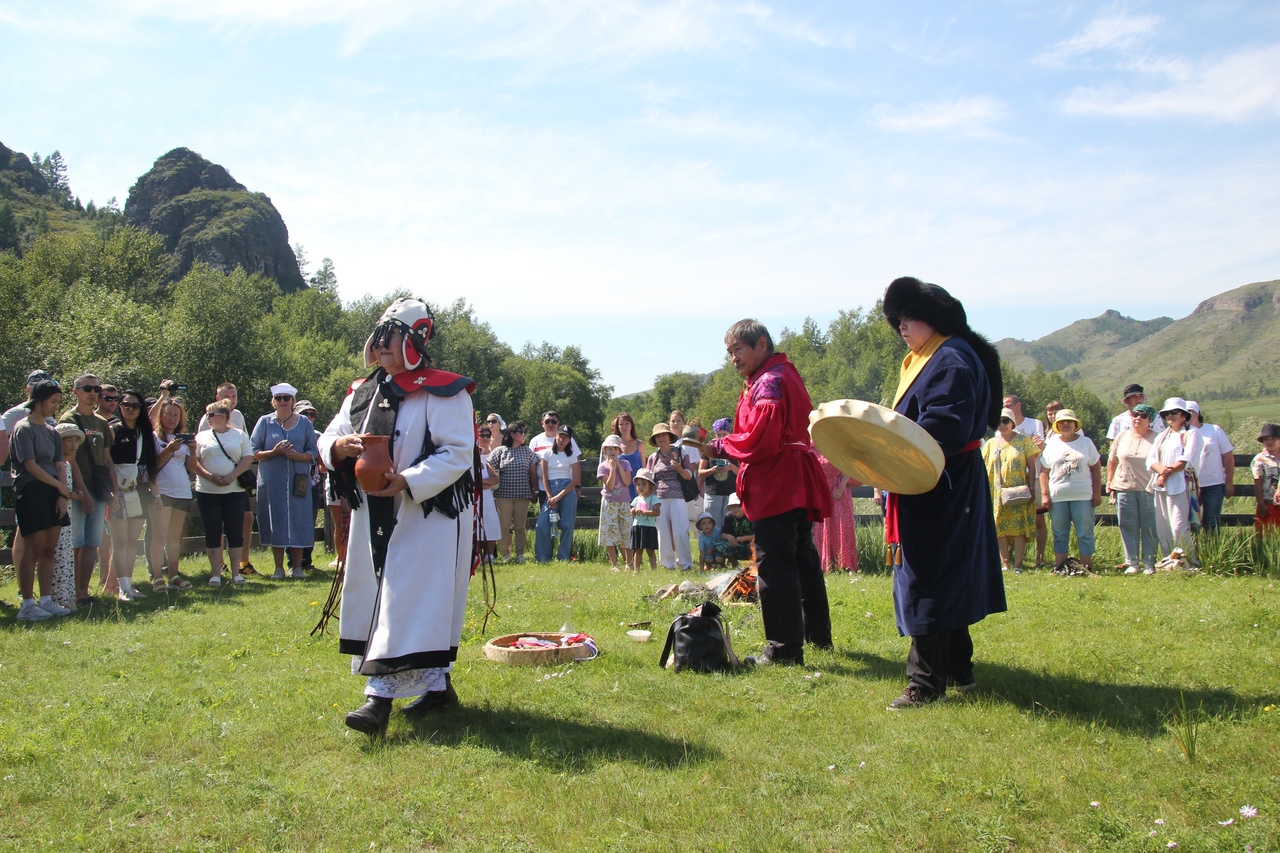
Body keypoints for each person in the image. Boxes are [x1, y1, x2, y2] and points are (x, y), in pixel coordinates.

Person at [317, 296, 477, 734]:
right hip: (375, 511)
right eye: (378, 341)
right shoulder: (362, 392)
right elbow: (329, 436)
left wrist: (408, 479)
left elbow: (458, 452)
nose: (380, 349)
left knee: (407, 598)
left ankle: (377, 702)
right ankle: (438, 690)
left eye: (389, 341)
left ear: (412, 342)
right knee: (387, 597)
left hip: (427, 517)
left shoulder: (444, 390)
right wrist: (338, 449)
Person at [879, 278, 1005, 708]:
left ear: (934, 317)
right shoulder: (933, 356)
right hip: (940, 478)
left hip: (939, 479)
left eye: (909, 317)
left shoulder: (949, 359)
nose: (902, 326)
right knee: (947, 572)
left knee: (928, 575)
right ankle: (957, 669)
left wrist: (890, 456)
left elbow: (944, 427)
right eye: (897, 319)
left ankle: (925, 682)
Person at [703, 319, 833, 668]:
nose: (733, 358)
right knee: (802, 559)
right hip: (790, 478)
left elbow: (761, 438)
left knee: (775, 565)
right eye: (729, 352)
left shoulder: (771, 380)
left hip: (777, 481)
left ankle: (784, 649)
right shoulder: (773, 376)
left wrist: (718, 446)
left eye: (738, 350)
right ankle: (816, 636)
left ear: (761, 344)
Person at [12, 380, 76, 620]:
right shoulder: (23, 428)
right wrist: (61, 487)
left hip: (53, 491)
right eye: (52, 401)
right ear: (38, 401)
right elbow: (30, 465)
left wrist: (62, 494)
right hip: (31, 490)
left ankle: (46, 600)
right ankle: (27, 605)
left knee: (49, 549)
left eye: (58, 402)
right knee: (33, 549)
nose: (55, 407)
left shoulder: (51, 431)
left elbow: (59, 464)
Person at [251, 382, 319, 579]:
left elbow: (313, 452)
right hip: (272, 480)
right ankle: (278, 567)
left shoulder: (304, 423)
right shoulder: (264, 422)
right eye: (278, 398)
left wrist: (297, 456)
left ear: (292, 401)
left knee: (298, 519)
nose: (282, 401)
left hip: (298, 480)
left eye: (286, 398)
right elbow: (253, 451)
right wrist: (275, 452)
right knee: (276, 519)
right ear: (273, 401)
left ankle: (297, 567)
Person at [60, 374, 115, 607]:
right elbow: (68, 458)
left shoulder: (102, 422)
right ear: (76, 392)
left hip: (99, 490)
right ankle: (69, 592)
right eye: (87, 389)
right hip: (76, 491)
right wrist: (83, 492)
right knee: (76, 543)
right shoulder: (68, 419)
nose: (92, 393)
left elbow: (107, 459)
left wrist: (115, 492)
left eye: (96, 388)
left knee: (92, 543)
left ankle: (83, 593)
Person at [5, 369, 57, 586]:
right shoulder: (14, 416)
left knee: (45, 543)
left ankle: (44, 593)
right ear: (28, 387)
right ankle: (22, 588)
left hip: (49, 481)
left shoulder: (50, 419)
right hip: (26, 480)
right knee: (24, 536)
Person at [197, 382, 256, 576]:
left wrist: (234, 474)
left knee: (246, 518)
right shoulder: (209, 417)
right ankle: (219, 564)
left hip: (236, 480)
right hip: (211, 484)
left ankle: (242, 563)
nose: (231, 400)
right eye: (227, 396)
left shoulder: (238, 416)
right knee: (216, 524)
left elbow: (245, 448)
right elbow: (201, 450)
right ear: (218, 398)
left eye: (234, 396)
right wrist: (212, 475)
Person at [107, 389, 159, 600]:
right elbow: (106, 462)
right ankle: (122, 588)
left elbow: (152, 466)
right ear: (119, 406)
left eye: (135, 406)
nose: (130, 409)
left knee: (131, 541)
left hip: (140, 492)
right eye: (126, 405)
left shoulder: (144, 434)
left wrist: (156, 496)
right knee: (119, 542)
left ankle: (129, 585)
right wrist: (111, 492)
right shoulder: (113, 430)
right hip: (118, 491)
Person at [1038, 409, 1102, 573]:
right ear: (1057, 426)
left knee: (1085, 532)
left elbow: (1095, 468)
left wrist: (1096, 493)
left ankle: (1086, 567)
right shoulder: (1052, 444)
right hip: (1058, 496)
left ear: (1075, 425)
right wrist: (1045, 494)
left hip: (1083, 495)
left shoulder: (1086, 443)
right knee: (1059, 533)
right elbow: (1044, 472)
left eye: (1069, 422)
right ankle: (1060, 567)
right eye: (1062, 422)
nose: (1066, 425)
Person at [149, 392, 197, 591]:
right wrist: (168, 449)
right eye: (168, 414)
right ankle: (157, 577)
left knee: (175, 537)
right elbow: (152, 466)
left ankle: (174, 574)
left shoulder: (182, 439)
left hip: (182, 491)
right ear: (161, 416)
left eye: (175, 416)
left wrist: (193, 450)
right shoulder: (153, 438)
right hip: (162, 491)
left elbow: (192, 468)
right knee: (159, 535)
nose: (171, 419)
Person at [982, 408, 1040, 572]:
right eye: (998, 421)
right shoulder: (991, 443)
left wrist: (1032, 487)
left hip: (1018, 491)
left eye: (1005, 420)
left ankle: (1018, 565)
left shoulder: (1024, 441)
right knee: (1000, 527)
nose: (1002, 424)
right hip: (996, 493)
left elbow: (1032, 465)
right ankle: (1005, 564)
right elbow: (983, 465)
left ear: (1013, 422)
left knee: (1018, 527)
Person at [1147, 397, 1201, 567]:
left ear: (1184, 415)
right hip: (1161, 485)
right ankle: (1169, 562)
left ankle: (1191, 562)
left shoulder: (1191, 433)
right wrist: (1162, 472)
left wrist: (1166, 473)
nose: (1170, 416)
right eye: (1167, 413)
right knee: (1163, 527)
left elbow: (1187, 459)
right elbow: (1151, 460)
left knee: (1178, 526)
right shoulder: (1162, 436)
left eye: (1174, 412)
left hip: (1181, 484)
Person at [1107, 403, 1159, 574]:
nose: (1138, 418)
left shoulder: (1158, 438)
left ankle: (1149, 562)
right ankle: (1132, 562)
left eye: (1143, 416)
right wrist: (1109, 482)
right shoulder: (1122, 436)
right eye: (1135, 414)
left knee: (1150, 525)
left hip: (1149, 488)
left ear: (1150, 420)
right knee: (1127, 524)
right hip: (1124, 486)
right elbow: (1112, 460)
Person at [1003, 394, 1049, 568]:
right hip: (1011, 479)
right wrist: (1029, 448)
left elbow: (1039, 448)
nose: (1006, 408)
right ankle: (1010, 560)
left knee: (1038, 519)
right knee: (1010, 518)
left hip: (1034, 475)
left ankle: (1040, 557)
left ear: (1018, 405)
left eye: (1008, 404)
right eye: (1004, 406)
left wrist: (1021, 451)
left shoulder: (1034, 424)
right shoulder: (1003, 423)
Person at [645, 422, 695, 571]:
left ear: (669, 436)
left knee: (680, 531)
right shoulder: (653, 458)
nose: (661, 438)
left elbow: (689, 476)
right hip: (659, 498)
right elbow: (648, 480)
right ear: (655, 440)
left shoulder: (681, 453)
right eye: (658, 436)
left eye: (664, 434)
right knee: (663, 532)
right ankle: (668, 564)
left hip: (679, 496)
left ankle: (685, 563)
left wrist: (678, 468)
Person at [488, 420, 539, 562]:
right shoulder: (500, 451)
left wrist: (535, 491)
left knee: (520, 526)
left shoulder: (527, 451)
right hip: (503, 494)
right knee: (504, 525)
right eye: (520, 432)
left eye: (524, 433)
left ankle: (520, 554)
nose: (523, 435)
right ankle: (506, 554)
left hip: (523, 494)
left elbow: (533, 472)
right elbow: (489, 465)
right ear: (512, 434)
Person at [534, 424, 580, 563]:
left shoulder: (572, 455)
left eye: (565, 437)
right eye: (560, 436)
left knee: (567, 524)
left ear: (569, 440)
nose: (562, 439)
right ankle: (543, 557)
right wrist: (550, 496)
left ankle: (563, 556)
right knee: (541, 524)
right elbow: (544, 477)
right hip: (550, 488)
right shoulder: (546, 454)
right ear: (556, 436)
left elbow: (576, 479)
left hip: (567, 488)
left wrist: (559, 496)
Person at [1187, 402, 1234, 533]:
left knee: (1212, 523)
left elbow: (1228, 456)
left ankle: (1212, 551)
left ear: (1198, 413)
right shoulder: (1181, 433)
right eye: (1185, 411)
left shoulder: (1213, 430)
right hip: (1190, 486)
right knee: (1192, 524)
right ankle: (1193, 552)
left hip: (1213, 484)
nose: (1188, 414)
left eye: (1191, 411)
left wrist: (1229, 481)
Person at [52, 422, 85, 609]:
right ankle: (56, 598)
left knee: (66, 553)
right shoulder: (55, 465)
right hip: (58, 514)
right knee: (57, 554)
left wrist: (75, 494)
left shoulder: (67, 464)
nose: (73, 445)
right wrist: (70, 494)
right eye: (68, 440)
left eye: (76, 441)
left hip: (69, 515)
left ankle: (67, 597)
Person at [812, 450, 859, 572]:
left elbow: (850, 464)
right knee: (821, 526)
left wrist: (841, 487)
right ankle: (825, 564)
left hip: (838, 489)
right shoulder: (810, 446)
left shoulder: (834, 443)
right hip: (820, 489)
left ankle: (846, 565)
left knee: (842, 525)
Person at [596, 435, 633, 571]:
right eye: (609, 448)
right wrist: (612, 468)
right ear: (604, 450)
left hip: (624, 502)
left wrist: (618, 466)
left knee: (626, 532)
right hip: (609, 503)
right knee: (609, 533)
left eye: (615, 449)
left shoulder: (625, 464)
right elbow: (610, 486)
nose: (612, 451)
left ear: (619, 451)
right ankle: (614, 564)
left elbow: (627, 482)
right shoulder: (603, 467)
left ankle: (628, 563)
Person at [699, 418, 738, 527]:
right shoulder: (708, 449)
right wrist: (712, 470)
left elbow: (741, 472)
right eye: (718, 434)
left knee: (729, 525)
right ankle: (713, 544)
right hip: (713, 493)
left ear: (729, 433)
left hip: (731, 493)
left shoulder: (735, 449)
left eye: (724, 434)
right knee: (713, 525)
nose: (721, 437)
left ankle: (727, 544)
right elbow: (700, 472)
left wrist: (731, 467)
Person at [476, 422, 500, 558]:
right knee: (477, 525)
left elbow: (494, 479)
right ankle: (477, 554)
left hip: (488, 496)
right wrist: (482, 484)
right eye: (482, 435)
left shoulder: (489, 458)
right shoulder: (471, 458)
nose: (485, 437)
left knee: (491, 523)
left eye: (487, 435)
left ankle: (490, 555)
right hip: (475, 497)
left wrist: (481, 483)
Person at [629, 468, 660, 571]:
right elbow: (632, 511)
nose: (640, 487)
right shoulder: (636, 499)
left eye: (644, 484)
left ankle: (654, 569)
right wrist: (633, 511)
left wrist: (644, 512)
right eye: (638, 484)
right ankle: (636, 570)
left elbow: (657, 512)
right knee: (638, 550)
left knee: (650, 550)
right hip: (637, 526)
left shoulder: (653, 498)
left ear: (650, 486)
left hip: (649, 527)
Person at [1251, 424, 1280, 531]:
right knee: (1267, 535)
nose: (1270, 442)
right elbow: (1258, 482)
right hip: (1269, 502)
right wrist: (1261, 504)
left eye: (1273, 438)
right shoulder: (1259, 459)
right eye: (1266, 439)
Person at [611, 412, 646, 500]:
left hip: (637, 488)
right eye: (621, 424)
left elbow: (644, 468)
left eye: (627, 423)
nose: (624, 426)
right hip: (619, 488)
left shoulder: (640, 444)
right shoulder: (614, 446)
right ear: (617, 427)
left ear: (631, 425)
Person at [719, 493, 755, 566]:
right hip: (736, 545)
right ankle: (734, 562)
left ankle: (756, 564)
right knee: (720, 545)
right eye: (733, 507)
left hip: (750, 545)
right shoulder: (729, 516)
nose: (736, 509)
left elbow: (759, 535)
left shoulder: (751, 515)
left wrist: (744, 538)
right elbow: (722, 535)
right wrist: (728, 537)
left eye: (739, 506)